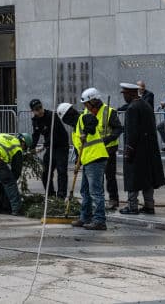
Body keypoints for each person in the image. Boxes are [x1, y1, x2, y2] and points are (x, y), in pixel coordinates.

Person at [58, 98, 108, 231]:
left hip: (96, 158)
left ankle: (99, 220)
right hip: (87, 161)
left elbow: (93, 121)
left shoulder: (84, 118)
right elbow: (78, 149)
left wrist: (86, 132)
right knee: (85, 191)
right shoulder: (75, 131)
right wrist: (77, 163)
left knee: (95, 192)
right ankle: (85, 217)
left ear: (68, 116)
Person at [118, 83, 165, 215]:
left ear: (132, 93)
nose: (124, 97)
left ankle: (132, 206)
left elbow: (132, 132)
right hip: (149, 150)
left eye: (125, 94)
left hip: (136, 151)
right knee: (147, 179)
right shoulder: (146, 105)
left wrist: (128, 150)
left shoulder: (132, 108)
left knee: (133, 178)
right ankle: (149, 205)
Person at [80, 88, 123, 210]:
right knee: (96, 178)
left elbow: (118, 129)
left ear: (93, 101)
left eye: (86, 104)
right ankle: (98, 200)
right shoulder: (86, 113)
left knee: (109, 175)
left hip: (108, 148)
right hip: (93, 150)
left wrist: (108, 139)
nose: (85, 106)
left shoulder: (109, 112)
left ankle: (113, 199)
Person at [29, 98, 69, 198]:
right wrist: (31, 148)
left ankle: (61, 196)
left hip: (61, 146)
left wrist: (43, 146)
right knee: (46, 172)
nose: (39, 111)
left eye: (40, 108)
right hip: (50, 147)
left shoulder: (52, 116)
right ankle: (50, 195)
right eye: (36, 109)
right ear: (33, 111)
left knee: (61, 171)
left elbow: (54, 135)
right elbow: (36, 135)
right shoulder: (36, 120)